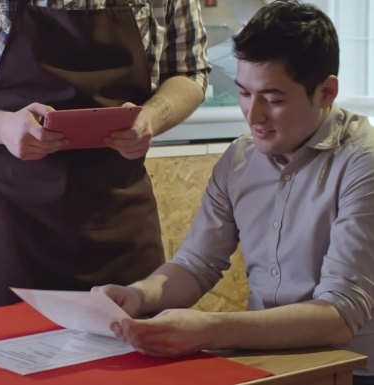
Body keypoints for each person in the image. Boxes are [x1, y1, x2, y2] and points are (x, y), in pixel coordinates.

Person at [93, 1, 374, 383]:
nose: (253, 115)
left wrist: (209, 328)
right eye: (243, 93)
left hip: (352, 370)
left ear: (326, 92)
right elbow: (197, 263)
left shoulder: (363, 162)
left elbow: (341, 316)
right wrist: (139, 296)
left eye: (273, 100)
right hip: (263, 362)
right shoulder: (240, 158)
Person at [0, 0, 211, 311]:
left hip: (120, 219)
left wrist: (151, 117)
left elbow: (188, 72)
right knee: (1, 349)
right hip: (8, 225)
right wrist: (2, 126)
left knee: (134, 350)